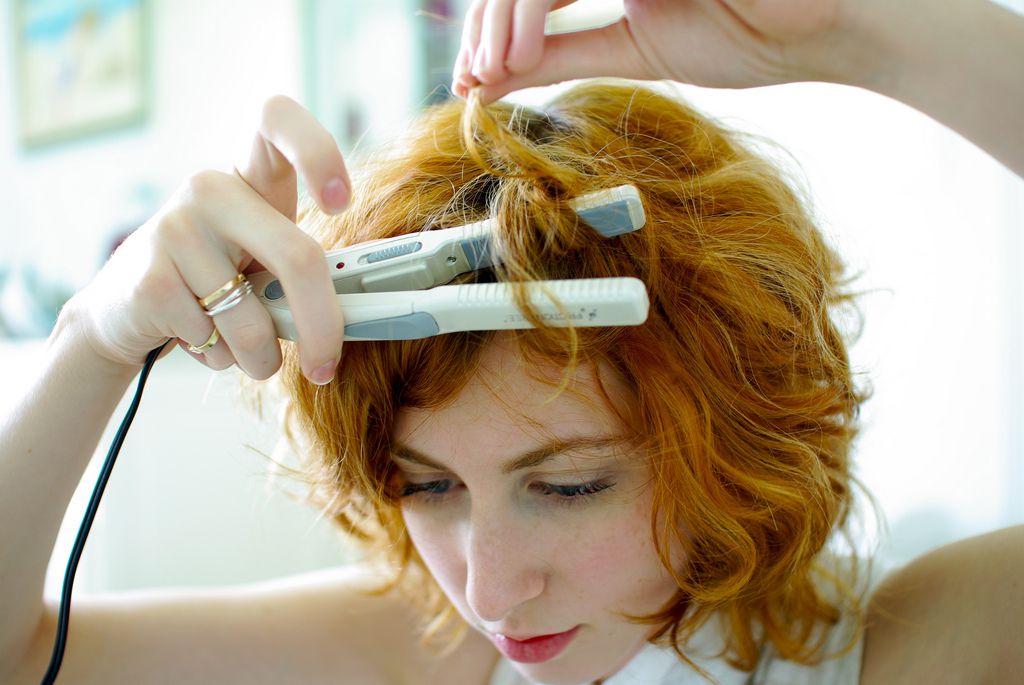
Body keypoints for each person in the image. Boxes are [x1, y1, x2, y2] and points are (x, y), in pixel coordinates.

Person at [1, 1, 1021, 685]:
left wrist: (857, 32)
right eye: (426, 484)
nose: (489, 592)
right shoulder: (432, 650)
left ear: (738, 434)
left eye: (570, 485)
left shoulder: (897, 649)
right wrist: (92, 338)